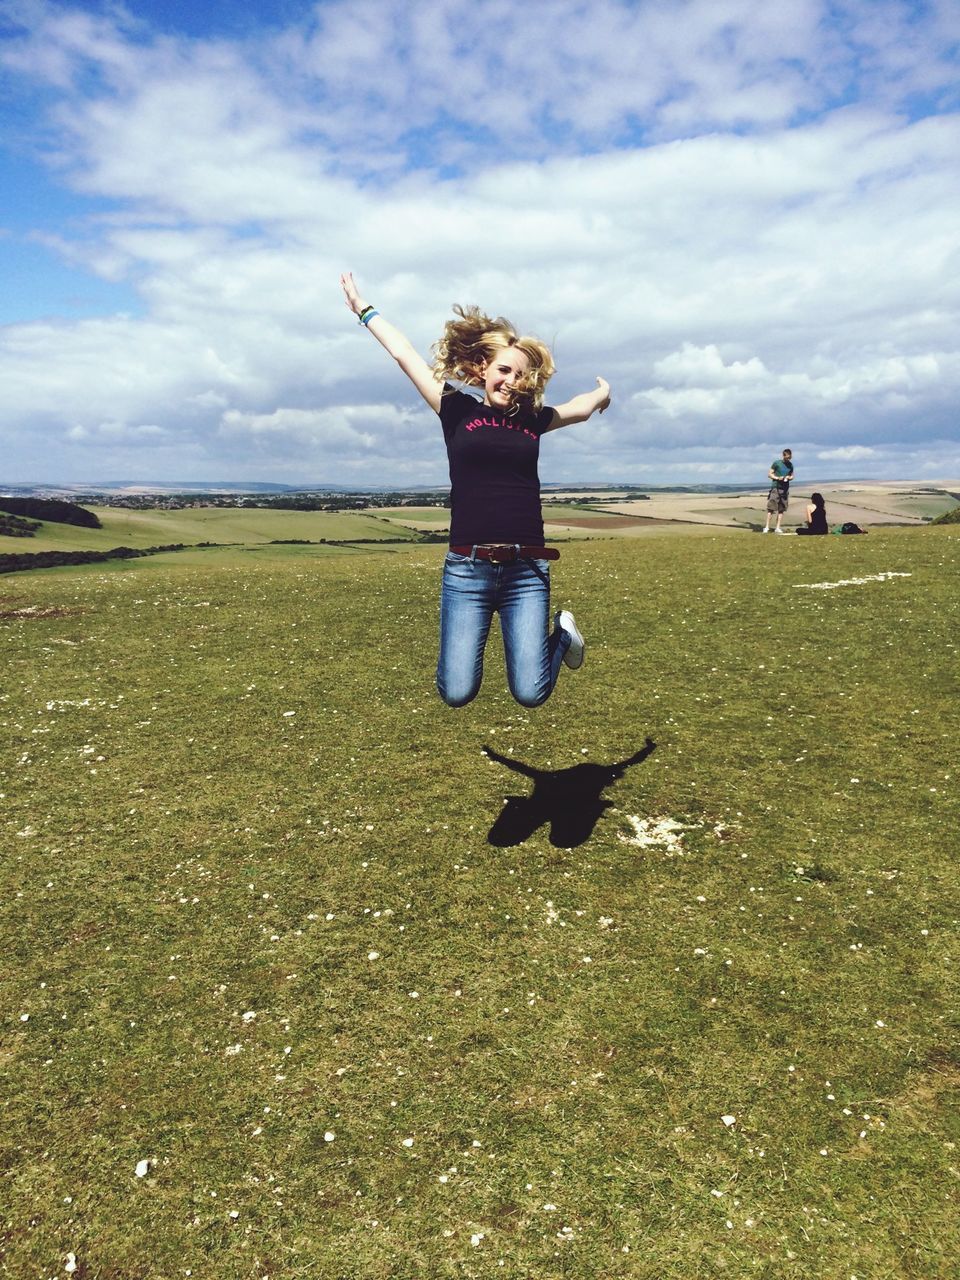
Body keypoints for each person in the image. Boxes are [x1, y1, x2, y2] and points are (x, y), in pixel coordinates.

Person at [339, 272, 610, 708]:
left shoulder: (532, 419)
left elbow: (577, 410)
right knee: (457, 691)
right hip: (467, 570)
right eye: (504, 370)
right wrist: (364, 310)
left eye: (521, 376)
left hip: (527, 570)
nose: (511, 381)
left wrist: (602, 395)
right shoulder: (454, 408)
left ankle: (561, 636)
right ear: (483, 369)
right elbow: (403, 353)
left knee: (530, 693)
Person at [762, 448, 794, 533]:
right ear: (783, 455)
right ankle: (767, 527)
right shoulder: (777, 463)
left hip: (785, 489)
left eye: (790, 458)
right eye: (787, 457)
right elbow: (769, 474)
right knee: (771, 508)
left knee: (782, 508)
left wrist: (788, 477)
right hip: (776, 487)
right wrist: (777, 478)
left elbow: (792, 476)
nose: (788, 459)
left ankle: (777, 527)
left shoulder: (790, 465)